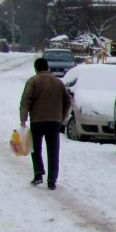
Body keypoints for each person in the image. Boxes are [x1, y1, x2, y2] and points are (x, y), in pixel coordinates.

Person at [19, 57, 71, 190]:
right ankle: (52, 180)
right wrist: (62, 116)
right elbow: (67, 100)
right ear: (47, 67)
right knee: (53, 151)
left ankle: (38, 173)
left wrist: (23, 119)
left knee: (35, 148)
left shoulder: (33, 81)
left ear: (36, 68)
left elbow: (26, 100)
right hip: (54, 121)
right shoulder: (58, 82)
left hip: (37, 120)